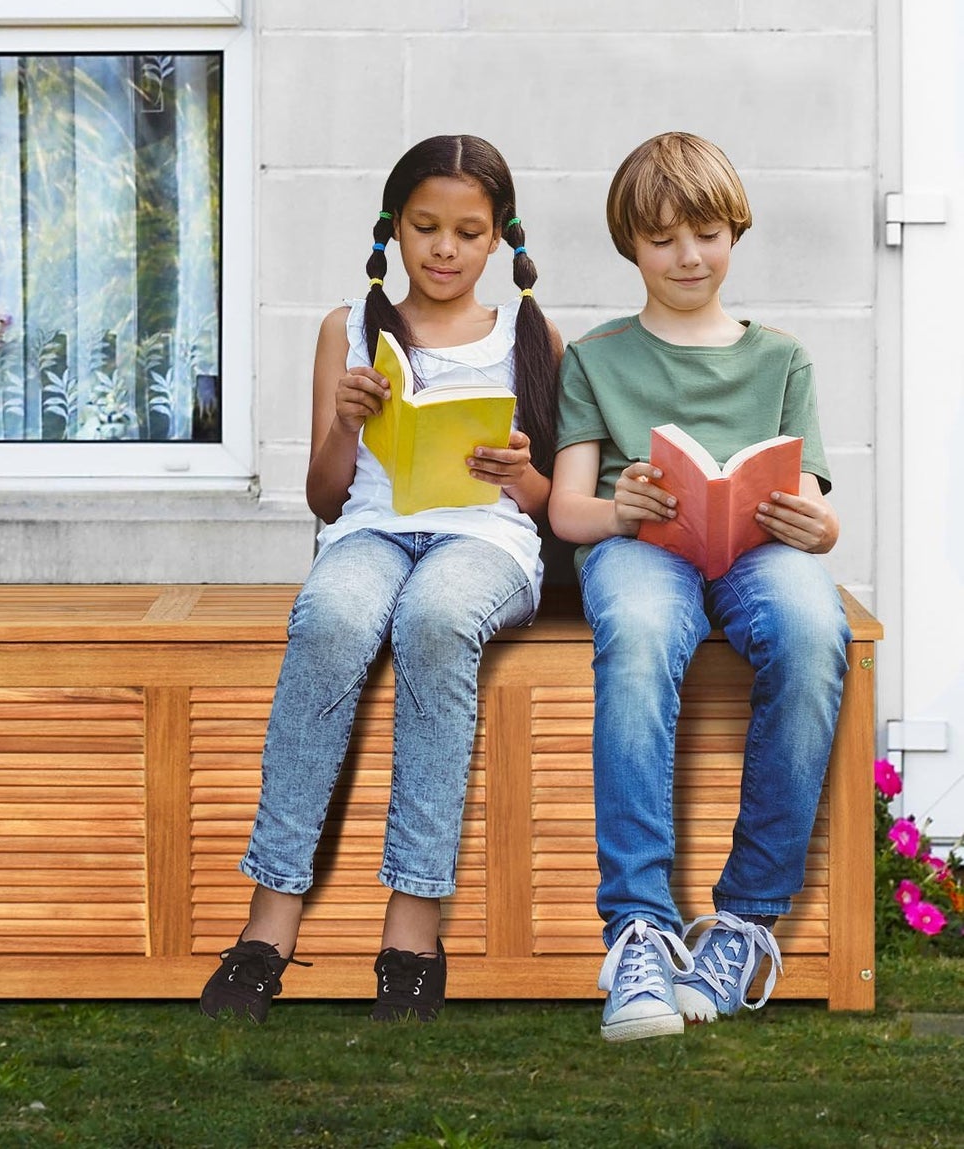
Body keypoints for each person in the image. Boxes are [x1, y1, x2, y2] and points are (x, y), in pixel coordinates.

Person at [199, 134, 561, 1024]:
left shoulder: (532, 333)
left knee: (436, 620)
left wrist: (518, 469)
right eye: (425, 227)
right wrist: (346, 426)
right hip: (371, 529)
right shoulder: (348, 329)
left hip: (486, 540)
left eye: (467, 232)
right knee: (329, 615)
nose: (444, 249)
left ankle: (411, 931)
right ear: (391, 229)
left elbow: (555, 502)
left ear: (499, 239)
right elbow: (324, 497)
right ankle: (267, 924)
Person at [548, 131, 849, 1043]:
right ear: (629, 246)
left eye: (708, 233)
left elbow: (809, 504)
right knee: (637, 635)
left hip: (756, 550)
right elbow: (567, 508)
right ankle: (637, 928)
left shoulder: (782, 359)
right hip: (639, 547)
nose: (688, 256)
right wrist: (623, 508)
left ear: (734, 233)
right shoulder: (595, 358)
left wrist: (821, 528)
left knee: (811, 629)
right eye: (663, 238)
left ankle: (743, 923)